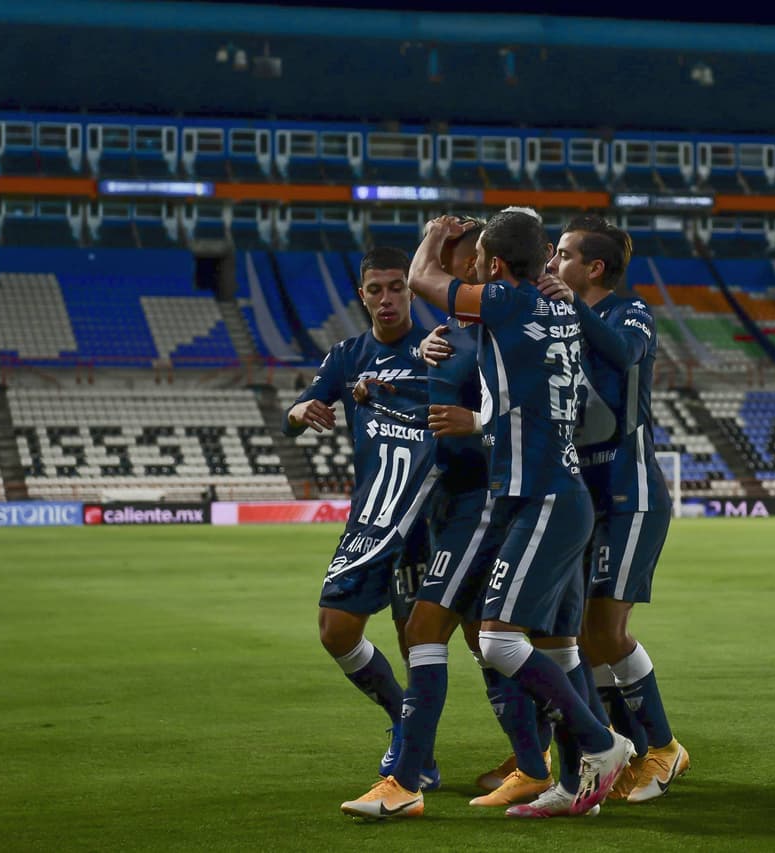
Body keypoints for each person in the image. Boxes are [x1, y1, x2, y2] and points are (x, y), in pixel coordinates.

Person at [341, 211, 633, 820]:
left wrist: (431, 235)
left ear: (494, 267)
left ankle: (599, 742)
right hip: (544, 493)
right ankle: (568, 779)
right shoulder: (552, 307)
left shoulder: (505, 303)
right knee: (554, 647)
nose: (468, 268)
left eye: (476, 260)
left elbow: (423, 279)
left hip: (537, 497)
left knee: (497, 639)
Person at [539, 214, 690, 804]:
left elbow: (625, 353)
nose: (553, 262)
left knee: (605, 631)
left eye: (564, 254)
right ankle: (627, 748)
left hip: (631, 494)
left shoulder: (631, 313)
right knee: (580, 635)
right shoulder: (562, 318)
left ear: (594, 267)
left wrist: (570, 308)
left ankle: (663, 748)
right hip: (585, 498)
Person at [282, 246, 440, 790]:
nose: (387, 298)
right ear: (362, 295)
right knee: (336, 629)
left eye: (397, 287)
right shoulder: (347, 355)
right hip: (371, 517)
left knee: (417, 639)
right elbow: (296, 415)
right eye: (376, 290)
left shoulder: (438, 348)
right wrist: (299, 411)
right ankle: (402, 719)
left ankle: (421, 756)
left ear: (411, 291)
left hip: (427, 520)